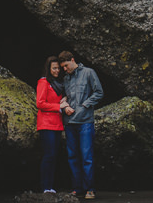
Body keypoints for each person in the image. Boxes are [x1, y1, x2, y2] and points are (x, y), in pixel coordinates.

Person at [59, 50, 103, 200]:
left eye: (65, 65)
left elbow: (98, 92)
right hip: (69, 122)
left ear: (72, 60)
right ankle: (77, 188)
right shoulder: (66, 79)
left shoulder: (89, 73)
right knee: (72, 156)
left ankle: (90, 189)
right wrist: (64, 104)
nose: (64, 69)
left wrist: (85, 105)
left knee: (86, 156)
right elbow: (64, 95)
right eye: (63, 67)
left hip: (85, 121)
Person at [36, 55, 68, 194]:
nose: (57, 71)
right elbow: (40, 103)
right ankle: (45, 187)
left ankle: (50, 186)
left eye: (58, 68)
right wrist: (59, 107)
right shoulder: (43, 82)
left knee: (54, 156)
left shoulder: (57, 83)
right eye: (54, 68)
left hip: (57, 124)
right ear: (48, 69)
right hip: (46, 124)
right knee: (49, 155)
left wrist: (64, 99)